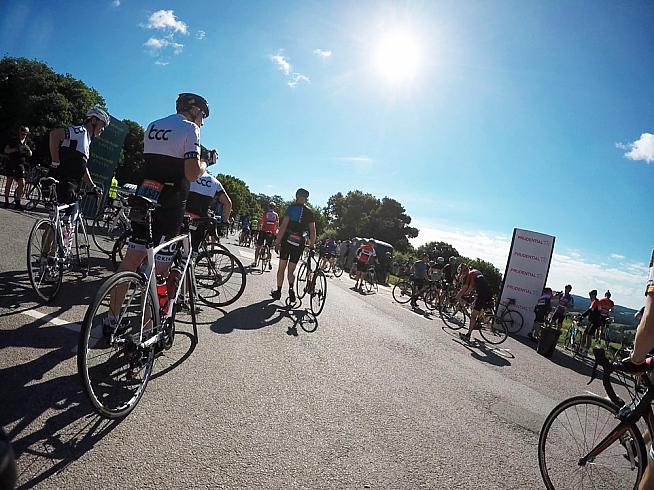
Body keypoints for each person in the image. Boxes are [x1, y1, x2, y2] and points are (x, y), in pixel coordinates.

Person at [108, 93, 209, 333]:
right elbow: (192, 173)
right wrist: (205, 163)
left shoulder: (153, 125)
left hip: (146, 193)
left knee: (132, 258)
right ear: (194, 111)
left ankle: (111, 319)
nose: (202, 122)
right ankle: (147, 330)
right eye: (202, 116)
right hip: (170, 201)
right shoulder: (190, 130)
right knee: (158, 269)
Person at [49, 108, 109, 204]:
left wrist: (92, 186)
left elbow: (82, 167)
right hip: (65, 182)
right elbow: (55, 134)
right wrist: (55, 162)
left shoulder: (87, 140)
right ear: (94, 120)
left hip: (72, 185)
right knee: (65, 215)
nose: (103, 129)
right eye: (103, 124)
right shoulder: (81, 131)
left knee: (67, 217)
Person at [271, 188, 316, 302]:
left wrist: (277, 242)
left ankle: (278, 291)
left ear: (296, 196)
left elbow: (283, 226)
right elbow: (313, 231)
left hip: (287, 239)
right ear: (306, 199)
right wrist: (311, 246)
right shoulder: (309, 212)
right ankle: (291, 289)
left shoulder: (291, 208)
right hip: (300, 242)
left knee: (281, 268)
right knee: (291, 270)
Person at [186, 168, 232, 252]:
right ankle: (192, 258)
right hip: (200, 219)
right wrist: (225, 221)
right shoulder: (215, 182)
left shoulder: (189, 174)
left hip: (185, 216)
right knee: (194, 247)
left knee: (173, 248)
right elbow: (228, 203)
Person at [456, 264, 493, 341]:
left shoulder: (469, 275)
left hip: (482, 294)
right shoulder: (476, 272)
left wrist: (457, 297)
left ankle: (468, 335)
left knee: (473, 315)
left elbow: (466, 289)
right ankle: (479, 321)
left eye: (462, 273)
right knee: (474, 304)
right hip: (489, 291)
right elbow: (473, 287)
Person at [3, 126, 32, 210]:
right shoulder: (13, 141)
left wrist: (28, 149)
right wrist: (16, 149)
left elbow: (30, 153)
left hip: (21, 165)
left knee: (22, 183)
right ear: (19, 133)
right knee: (9, 181)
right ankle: (6, 200)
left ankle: (17, 201)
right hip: (12, 163)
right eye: (22, 134)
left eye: (25, 134)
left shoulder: (27, 142)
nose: (23, 136)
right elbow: (6, 150)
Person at [253, 202, 279, 269]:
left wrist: (258, 230)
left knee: (258, 247)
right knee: (269, 248)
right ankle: (269, 262)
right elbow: (277, 225)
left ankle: (255, 262)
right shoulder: (276, 215)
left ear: (268, 207)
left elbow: (260, 222)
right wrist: (275, 233)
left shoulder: (265, 214)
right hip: (271, 233)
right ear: (274, 208)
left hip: (263, 231)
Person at [579, 289, 602, 355]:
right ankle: (581, 348)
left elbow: (589, 311)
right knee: (584, 334)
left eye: (590, 295)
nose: (589, 297)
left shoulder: (596, 302)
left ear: (594, 295)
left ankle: (586, 351)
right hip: (591, 321)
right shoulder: (594, 301)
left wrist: (582, 316)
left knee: (589, 336)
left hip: (595, 322)